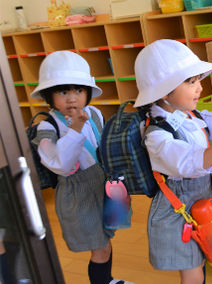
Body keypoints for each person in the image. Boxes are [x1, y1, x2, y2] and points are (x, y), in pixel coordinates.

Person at [133, 39, 212, 284]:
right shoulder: (157, 134)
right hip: (178, 211)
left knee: (203, 259)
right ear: (163, 91)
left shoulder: (189, 115)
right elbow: (188, 163)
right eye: (190, 82)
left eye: (198, 79)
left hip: (201, 204)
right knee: (191, 270)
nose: (199, 88)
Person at [30, 51, 131, 284]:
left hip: (101, 184)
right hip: (78, 194)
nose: (72, 98)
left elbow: (102, 143)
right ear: (49, 95)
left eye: (78, 90)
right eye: (63, 91)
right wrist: (74, 130)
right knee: (99, 247)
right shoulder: (46, 128)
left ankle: (107, 279)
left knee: (105, 239)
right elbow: (61, 165)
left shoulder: (93, 113)